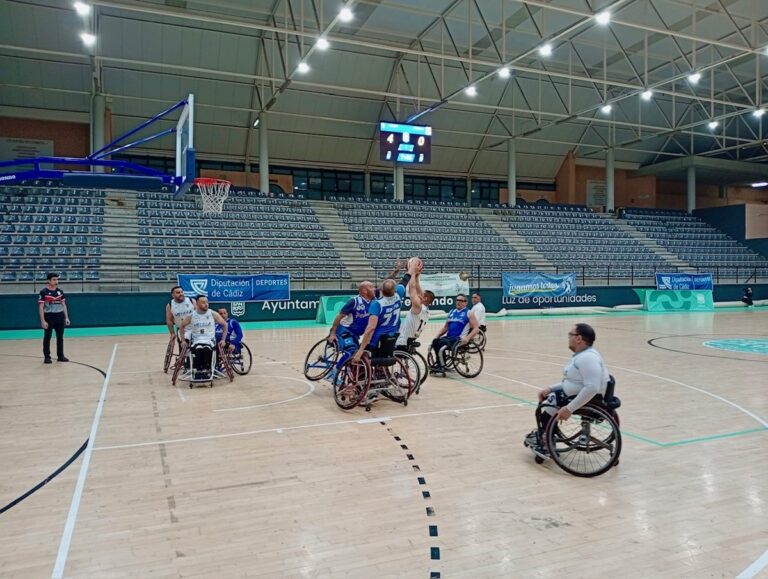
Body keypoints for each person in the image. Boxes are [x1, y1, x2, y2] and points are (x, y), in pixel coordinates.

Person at [526, 323, 611, 455]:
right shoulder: (583, 355)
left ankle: (546, 441)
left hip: (589, 399)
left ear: (578, 338)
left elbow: (592, 387)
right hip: (577, 394)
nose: (568, 338)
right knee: (550, 397)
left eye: (570, 335)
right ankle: (547, 433)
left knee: (548, 404)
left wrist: (569, 408)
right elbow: (573, 382)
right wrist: (550, 388)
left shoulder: (588, 358)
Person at [429, 294, 480, 374]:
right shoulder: (451, 312)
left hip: (458, 338)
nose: (458, 302)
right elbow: (445, 328)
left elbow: (476, 328)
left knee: (442, 343)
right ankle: (440, 362)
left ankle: (442, 365)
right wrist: (436, 336)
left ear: (465, 303)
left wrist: (467, 338)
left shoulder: (469, 313)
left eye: (461, 300)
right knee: (435, 341)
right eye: (457, 300)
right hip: (449, 337)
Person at [179, 296, 227, 377]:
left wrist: (223, 340)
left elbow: (225, 325)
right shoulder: (192, 315)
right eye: (203, 302)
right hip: (196, 340)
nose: (206, 304)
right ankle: (198, 370)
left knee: (206, 349)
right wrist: (183, 340)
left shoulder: (213, 313)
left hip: (210, 340)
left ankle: (205, 369)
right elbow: (181, 326)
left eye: (207, 302)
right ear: (197, 303)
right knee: (198, 349)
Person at [395, 258, 434, 351]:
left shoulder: (418, 307)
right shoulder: (426, 309)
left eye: (423, 295)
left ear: (426, 299)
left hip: (402, 341)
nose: (421, 295)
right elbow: (418, 288)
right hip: (411, 339)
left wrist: (411, 272)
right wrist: (416, 276)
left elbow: (412, 288)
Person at [38, 272, 70, 364]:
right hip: (49, 316)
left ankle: (60, 356)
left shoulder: (60, 292)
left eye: (57, 279)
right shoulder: (43, 292)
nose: (56, 281)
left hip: (59, 316)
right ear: (49, 281)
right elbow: (41, 307)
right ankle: (47, 357)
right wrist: (43, 321)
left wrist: (66, 317)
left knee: (60, 337)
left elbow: (64, 305)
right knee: (47, 337)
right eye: (54, 279)